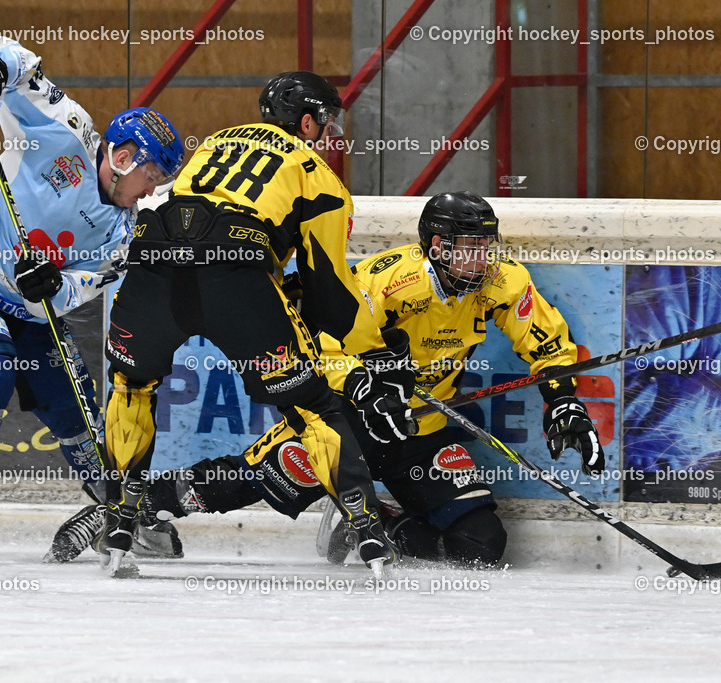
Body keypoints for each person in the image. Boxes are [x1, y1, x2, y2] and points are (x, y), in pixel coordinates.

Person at [52, 191, 606, 568]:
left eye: (487, 246)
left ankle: (371, 522)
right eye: (469, 248)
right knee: (260, 478)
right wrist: (366, 383)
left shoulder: (502, 282)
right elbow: (323, 340)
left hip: (425, 429)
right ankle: (133, 502)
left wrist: (563, 401)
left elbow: (547, 342)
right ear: (437, 246)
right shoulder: (389, 281)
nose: (482, 259)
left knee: (482, 544)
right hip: (354, 419)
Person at [91, 71, 402, 576]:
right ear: (307, 122)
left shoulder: (214, 142)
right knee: (313, 403)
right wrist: (373, 355)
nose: (329, 133)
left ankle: (120, 529)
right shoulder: (318, 175)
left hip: (153, 262)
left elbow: (196, 225)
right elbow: (332, 296)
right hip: (236, 277)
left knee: (131, 386)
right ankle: (370, 538)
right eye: (325, 123)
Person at [0, 36, 184, 565]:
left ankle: (117, 508)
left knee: (76, 404)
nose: (151, 192)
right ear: (124, 158)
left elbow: (74, 291)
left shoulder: (124, 233)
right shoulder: (67, 133)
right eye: (151, 178)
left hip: (25, 307)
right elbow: (12, 57)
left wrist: (53, 287)